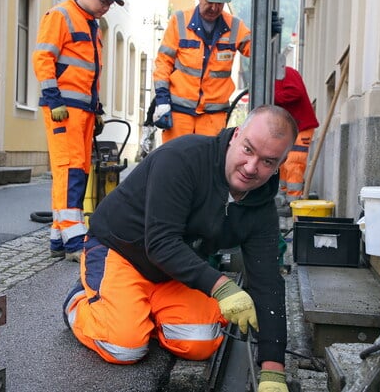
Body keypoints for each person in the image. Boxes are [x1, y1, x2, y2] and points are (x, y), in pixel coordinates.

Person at [63, 105, 297, 392]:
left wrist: (273, 369)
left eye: (267, 161)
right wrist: (222, 287)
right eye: (248, 150)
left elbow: (268, 283)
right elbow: (161, 242)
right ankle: (81, 303)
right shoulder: (182, 159)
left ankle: (136, 309)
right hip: (122, 252)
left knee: (200, 342)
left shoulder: (261, 207)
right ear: (237, 135)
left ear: (279, 165)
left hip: (173, 272)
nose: (251, 167)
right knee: (124, 346)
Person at [32, 0, 124, 262]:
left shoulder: (93, 27)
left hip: (83, 111)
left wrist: (96, 109)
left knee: (79, 169)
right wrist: (53, 99)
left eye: (110, 4)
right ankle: (73, 237)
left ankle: (60, 235)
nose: (106, 7)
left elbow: (91, 73)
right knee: (69, 168)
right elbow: (43, 58)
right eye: (103, 0)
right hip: (64, 108)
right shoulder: (60, 15)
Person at [151, 0, 282, 144]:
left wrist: (268, 34)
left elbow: (256, 51)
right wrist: (162, 100)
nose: (214, 8)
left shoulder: (235, 26)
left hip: (213, 116)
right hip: (179, 114)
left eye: (220, 3)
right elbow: (163, 63)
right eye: (210, 1)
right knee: (176, 165)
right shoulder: (179, 21)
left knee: (207, 166)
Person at [274, 66, 319, 205]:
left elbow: (296, 92)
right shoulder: (276, 76)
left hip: (301, 126)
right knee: (282, 163)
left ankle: (293, 202)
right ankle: (282, 197)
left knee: (294, 162)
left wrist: (273, 96)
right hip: (290, 127)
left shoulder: (286, 73)